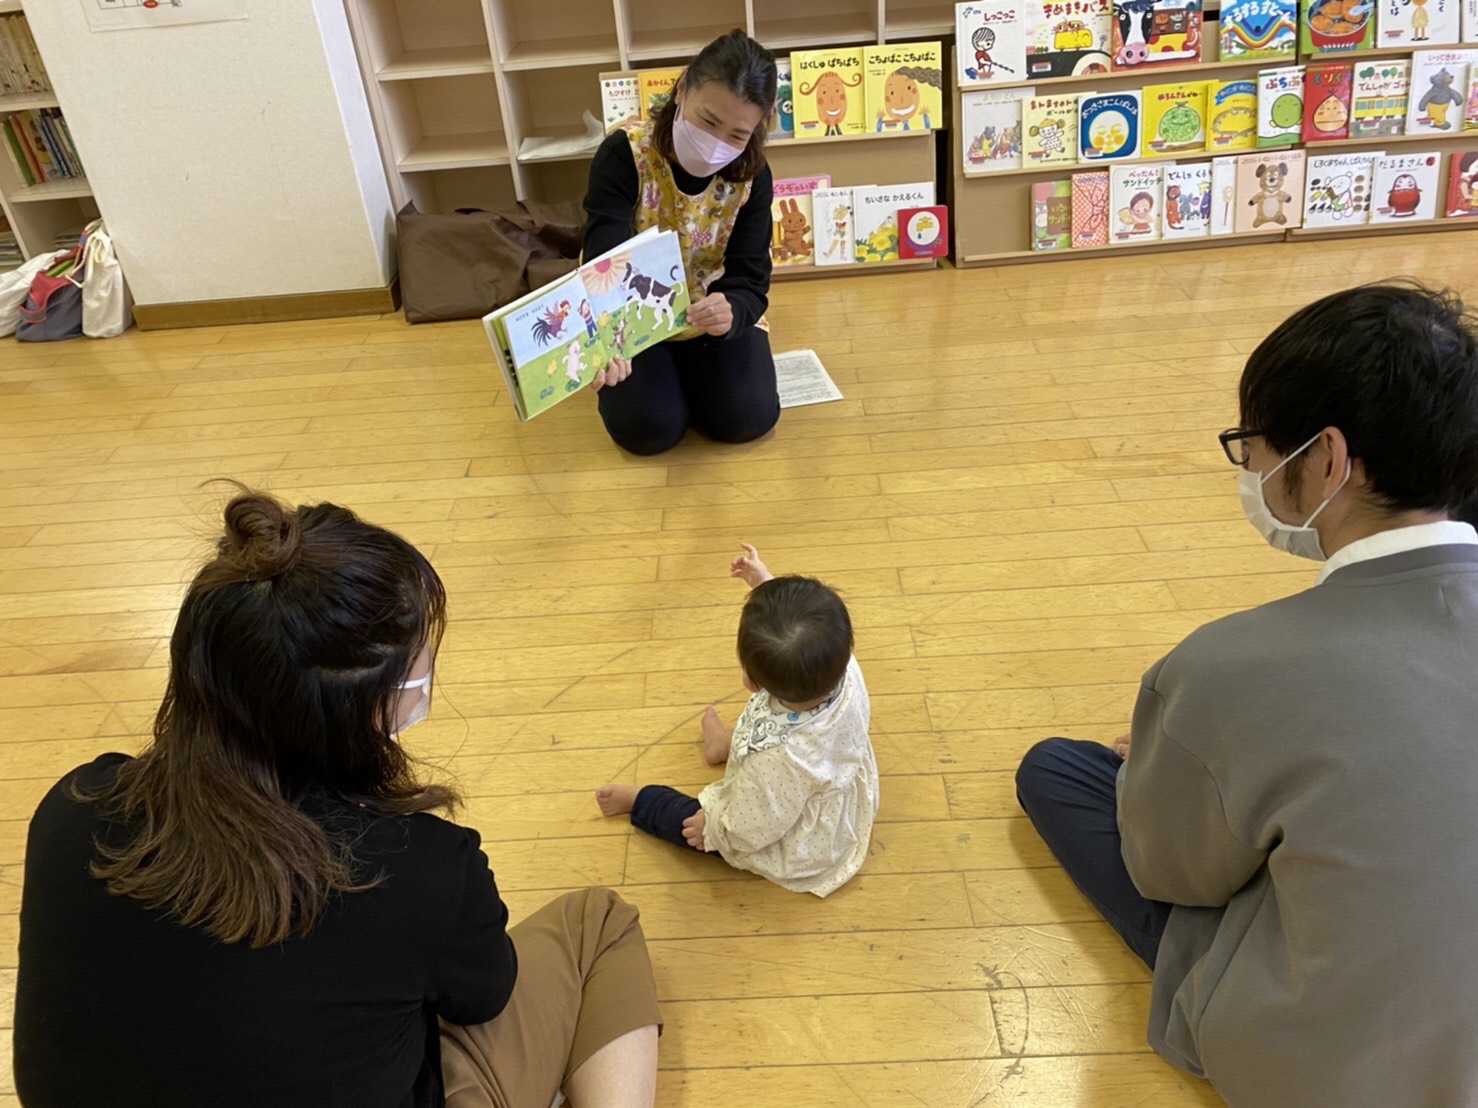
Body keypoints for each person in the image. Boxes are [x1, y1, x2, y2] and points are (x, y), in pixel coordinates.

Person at [14, 490, 662, 1108]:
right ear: (372, 707)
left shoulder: (71, 810)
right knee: (598, 923)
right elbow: (484, 996)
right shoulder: (420, 870)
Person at [1015, 283, 1478, 1107]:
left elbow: (1168, 872)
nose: (1251, 470)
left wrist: (1182, 764)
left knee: (1056, 770)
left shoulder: (1227, 665)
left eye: (1253, 447)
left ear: (1327, 459)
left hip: (1321, 1070)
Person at [595, 544, 878, 898]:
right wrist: (765, 585)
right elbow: (798, 631)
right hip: (830, 771)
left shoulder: (778, 760)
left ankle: (641, 800)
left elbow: (754, 826)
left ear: (751, 683)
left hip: (794, 832)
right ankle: (724, 744)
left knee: (690, 824)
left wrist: (715, 828)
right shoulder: (838, 662)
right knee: (756, 742)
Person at [582, 30, 780, 455]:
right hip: (634, 319)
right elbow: (602, 261)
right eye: (708, 121)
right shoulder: (624, 155)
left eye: (737, 134)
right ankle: (669, 380)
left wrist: (733, 308)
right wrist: (608, 341)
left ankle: (686, 375)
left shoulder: (753, 176)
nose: (716, 145)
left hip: (709, 318)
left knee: (748, 418)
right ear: (683, 88)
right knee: (647, 431)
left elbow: (750, 276)